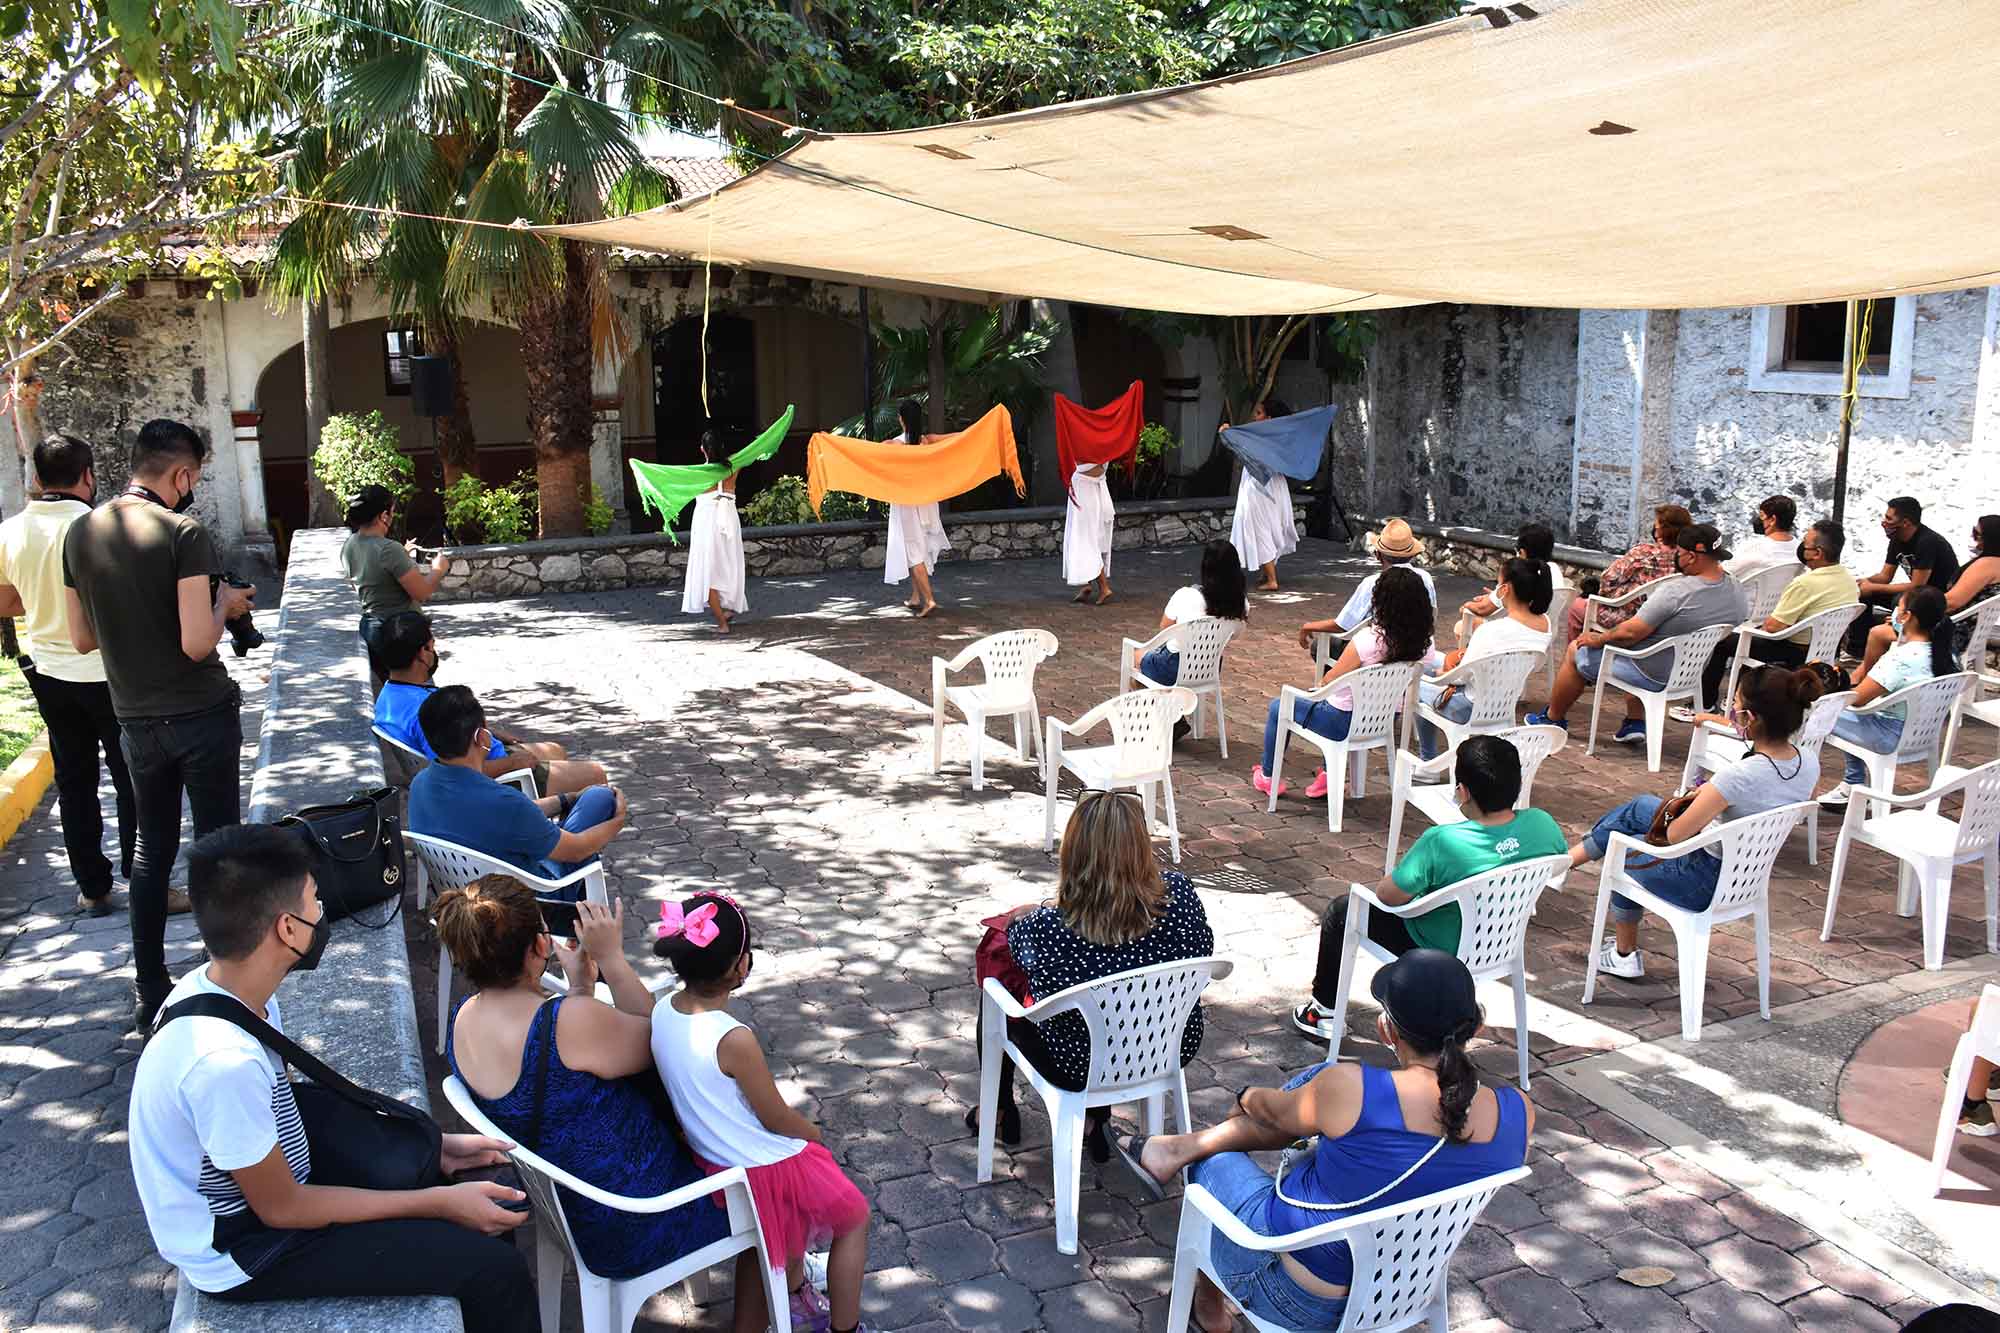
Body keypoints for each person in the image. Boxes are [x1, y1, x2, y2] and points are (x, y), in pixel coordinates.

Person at [128, 823, 536, 1330]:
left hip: (269, 1170)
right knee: (496, 1270)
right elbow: (283, 1209)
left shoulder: (218, 987)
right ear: (287, 928)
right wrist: (438, 1204)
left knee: (435, 1170)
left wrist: (438, 1149)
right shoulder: (221, 1065)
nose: (322, 913)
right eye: (314, 900)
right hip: (249, 1247)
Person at [1113, 951, 1532, 1333]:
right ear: (1476, 1026)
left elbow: (1273, 1111)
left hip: (1294, 1295)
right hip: (1400, 1290)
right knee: (1320, 1087)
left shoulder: (1354, 1091)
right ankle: (1174, 1151)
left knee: (1212, 1160)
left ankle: (1210, 1311)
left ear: (1387, 1030)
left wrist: (1244, 1096)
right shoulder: (1520, 1112)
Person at [436, 876, 767, 1330]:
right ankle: (786, 1277)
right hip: (633, 1221)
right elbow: (664, 1040)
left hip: (563, 1210)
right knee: (770, 1182)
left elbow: (556, 1072)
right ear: (538, 946)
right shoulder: (568, 1023)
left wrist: (578, 989)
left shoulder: (463, 1020)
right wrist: (609, 959)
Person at [63, 417, 253, 1033]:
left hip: (135, 722)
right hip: (201, 714)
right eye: (192, 478)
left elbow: (81, 637)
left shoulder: (81, 532)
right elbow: (199, 642)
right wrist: (225, 605)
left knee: (150, 852)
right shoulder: (185, 532)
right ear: (181, 474)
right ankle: (226, 982)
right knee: (219, 849)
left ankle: (150, 987)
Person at [650, 892, 874, 1333]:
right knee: (854, 1217)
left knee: (776, 1234)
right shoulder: (733, 1038)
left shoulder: (661, 1010)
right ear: (741, 966)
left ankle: (789, 1297)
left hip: (714, 1158)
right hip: (761, 1167)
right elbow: (775, 1118)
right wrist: (813, 1133)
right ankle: (845, 1329)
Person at [970, 790, 1215, 1157]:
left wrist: (1035, 912)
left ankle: (1001, 1110)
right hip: (1168, 1045)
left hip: (1077, 1064)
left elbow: (1021, 962)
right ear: (1141, 846)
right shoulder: (1180, 894)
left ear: (1074, 853)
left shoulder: (1048, 928)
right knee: (1102, 1003)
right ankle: (1095, 1122)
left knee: (998, 994)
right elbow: (1204, 945)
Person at [1291, 735, 1566, 1037]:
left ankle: (1323, 1012)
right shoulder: (1543, 824)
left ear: (1462, 791)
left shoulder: (1442, 841)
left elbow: (1388, 896)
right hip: (1497, 947)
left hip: (1434, 948)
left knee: (1343, 910)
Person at [1573, 664, 1824, 979]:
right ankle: (1566, 863)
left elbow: (1676, 836)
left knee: (1623, 847)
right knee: (1639, 808)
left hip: (1702, 879)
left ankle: (1624, 953)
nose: (1731, 712)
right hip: (1747, 877)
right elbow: (1802, 803)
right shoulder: (1808, 761)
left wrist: (1702, 802)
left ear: (1751, 718)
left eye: (1735, 705)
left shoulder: (1738, 776)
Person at [0, 433, 134, 916]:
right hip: (108, 670)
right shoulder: (103, 526)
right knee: (130, 777)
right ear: (89, 476)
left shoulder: (9, 531)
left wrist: (41, 605)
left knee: (75, 782)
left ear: (36, 479)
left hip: (48, 672)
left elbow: (5, 602)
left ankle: (92, 887)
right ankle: (141, 878)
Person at [1529, 523, 1746, 747]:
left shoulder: (1677, 592)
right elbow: (1737, 621)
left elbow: (1630, 634)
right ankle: (1634, 723)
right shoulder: (1736, 589)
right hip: (1689, 672)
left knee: (1579, 649)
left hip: (1650, 672)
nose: (1676, 558)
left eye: (1679, 553)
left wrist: (1598, 638)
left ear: (1691, 557)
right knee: (1641, 644)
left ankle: (1552, 719)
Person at [369, 610, 603, 796]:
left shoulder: (390, 695)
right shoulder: (424, 709)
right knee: (596, 775)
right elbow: (456, 771)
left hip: (485, 753)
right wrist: (512, 763)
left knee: (555, 750)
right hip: (497, 779)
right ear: (423, 653)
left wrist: (492, 733)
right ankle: (566, 843)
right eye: (432, 645)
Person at [409, 685, 626, 879]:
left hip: (463, 891)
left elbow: (519, 813)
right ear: (482, 738)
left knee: (581, 802)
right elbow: (576, 850)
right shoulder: (502, 801)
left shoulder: (419, 785)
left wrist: (567, 799)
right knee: (601, 797)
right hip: (531, 899)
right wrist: (617, 820)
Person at [1257, 566, 1430, 798]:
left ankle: (1268, 777)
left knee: (1279, 706)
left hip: (1342, 722)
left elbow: (1330, 680)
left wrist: (1321, 685)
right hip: (1385, 718)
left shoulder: (1368, 640)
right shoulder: (1423, 643)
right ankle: (1329, 775)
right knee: (1340, 700)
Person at [1695, 519, 1859, 713]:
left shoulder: (1805, 583)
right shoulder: (1849, 580)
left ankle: (1704, 704)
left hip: (1793, 650)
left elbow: (1774, 627)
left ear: (1817, 553)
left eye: (1805, 544)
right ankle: (1740, 701)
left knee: (1724, 642)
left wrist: (1761, 625)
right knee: (1748, 639)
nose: (1801, 548)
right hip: (1826, 650)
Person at [1819, 585, 1956, 807]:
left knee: (1813, 712)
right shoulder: (1946, 654)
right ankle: (1852, 783)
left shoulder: (1901, 659)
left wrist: (1829, 688)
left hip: (1887, 735)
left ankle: (1802, 790)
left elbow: (1857, 699)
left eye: (1898, 608)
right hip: (1924, 733)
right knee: (1845, 712)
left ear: (1907, 616)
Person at [1416, 557, 1552, 761]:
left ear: (1505, 589)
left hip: (1468, 706)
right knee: (1434, 661)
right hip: (1503, 704)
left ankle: (1428, 761)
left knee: (1415, 681)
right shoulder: (1544, 625)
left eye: (1498, 584)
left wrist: (1440, 674)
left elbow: (1459, 679)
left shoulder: (1491, 630)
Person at [1856, 514, 2000, 673]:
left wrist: (1908, 616)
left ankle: (1869, 685)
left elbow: (1952, 601)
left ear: (1990, 538)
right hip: (1967, 628)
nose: (1973, 538)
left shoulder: (1986, 565)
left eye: (1977, 534)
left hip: (1951, 631)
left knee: (1877, 634)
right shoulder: (1994, 564)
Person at [339, 483, 450, 655]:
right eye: (392, 511)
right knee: (415, 682)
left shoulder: (350, 544)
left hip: (372, 629)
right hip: (400, 634)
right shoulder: (389, 549)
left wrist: (402, 554)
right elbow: (421, 593)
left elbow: (372, 575)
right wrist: (438, 569)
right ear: (384, 516)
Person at [1849, 496, 1960, 657]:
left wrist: (1873, 587)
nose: (1884, 522)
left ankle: (1895, 648)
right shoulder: (1897, 539)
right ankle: (1857, 650)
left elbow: (1917, 586)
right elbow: (1885, 576)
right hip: (1919, 594)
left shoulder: (1927, 542)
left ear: (1906, 522)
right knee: (1865, 594)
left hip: (1936, 600)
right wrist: (1864, 582)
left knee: (1899, 600)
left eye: (1889, 518)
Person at [1564, 504, 1692, 640]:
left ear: (1663, 530)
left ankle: (1576, 654)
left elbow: (1608, 579)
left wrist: (1612, 595)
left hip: (1630, 618)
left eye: (1657, 524)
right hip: (1662, 619)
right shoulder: (1687, 558)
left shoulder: (1643, 553)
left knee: (1577, 607)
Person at [1134, 538, 1249, 687]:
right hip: (1209, 667)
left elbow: (1164, 628)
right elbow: (1235, 634)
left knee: (1136, 657)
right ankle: (1178, 707)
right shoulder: (1241, 604)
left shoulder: (1186, 595)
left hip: (1172, 666)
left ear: (1205, 567)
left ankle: (1159, 708)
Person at [884, 398, 947, 618]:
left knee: (913, 550)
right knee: (917, 546)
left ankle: (928, 600)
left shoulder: (894, 445)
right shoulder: (927, 441)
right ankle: (916, 596)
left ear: (901, 419)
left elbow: (859, 451)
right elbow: (959, 438)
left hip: (908, 504)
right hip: (927, 501)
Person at [1227, 398, 1296, 592]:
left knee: (1259, 527)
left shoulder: (1265, 438)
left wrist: (1227, 434)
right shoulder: (1279, 437)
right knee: (1266, 525)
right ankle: (1267, 573)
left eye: (1258, 413)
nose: (1255, 417)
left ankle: (1272, 579)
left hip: (1260, 487)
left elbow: (1246, 453)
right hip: (1273, 486)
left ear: (1269, 417)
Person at [684, 430, 748, 631]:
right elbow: (753, 451)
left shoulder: (697, 474)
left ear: (702, 449)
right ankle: (728, 610)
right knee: (728, 563)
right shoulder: (734, 468)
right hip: (729, 518)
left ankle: (722, 623)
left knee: (707, 569)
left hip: (707, 522)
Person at [1454, 521, 1568, 627]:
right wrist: (1496, 596)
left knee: (1461, 625)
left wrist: (1467, 605)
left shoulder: (1517, 575)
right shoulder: (1554, 571)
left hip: (1508, 634)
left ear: (1522, 552)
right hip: (1542, 635)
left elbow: (1482, 609)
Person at [1062, 454, 1115, 606]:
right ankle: (1086, 583)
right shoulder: (1102, 438)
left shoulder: (1089, 441)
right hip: (1093, 486)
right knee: (1087, 538)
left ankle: (1104, 587)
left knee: (1084, 539)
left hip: (1086, 489)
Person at [1725, 494, 1800, 580]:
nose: (1759, 519)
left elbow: (1724, 572)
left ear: (1772, 520)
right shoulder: (1800, 549)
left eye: (1762, 515)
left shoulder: (1754, 547)